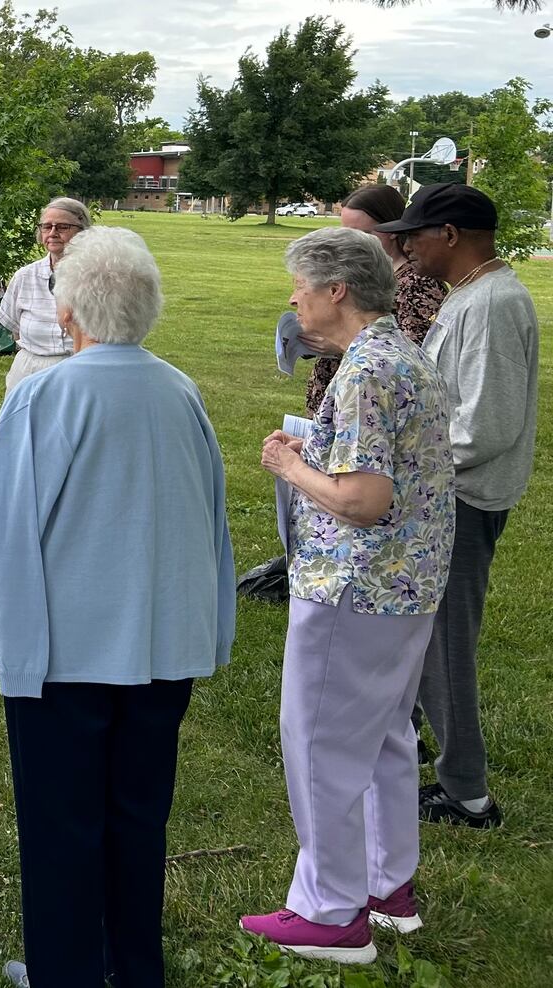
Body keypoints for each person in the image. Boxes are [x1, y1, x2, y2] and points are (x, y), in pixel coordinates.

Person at [0, 226, 235, 988]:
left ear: (72, 309)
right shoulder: (181, 392)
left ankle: (68, 972)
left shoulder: (45, 396)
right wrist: (207, 629)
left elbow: (3, 531)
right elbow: (208, 522)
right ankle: (130, 966)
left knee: (61, 828)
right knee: (138, 819)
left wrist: (6, 650)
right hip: (159, 649)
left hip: (63, 657)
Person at [241, 227, 456, 963]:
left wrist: (287, 466)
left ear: (337, 289)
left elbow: (364, 500)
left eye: (299, 285)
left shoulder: (364, 369)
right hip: (408, 583)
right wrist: (319, 453)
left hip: (354, 585)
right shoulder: (402, 353)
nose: (292, 299)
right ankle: (385, 887)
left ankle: (332, 912)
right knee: (386, 735)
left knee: (323, 742)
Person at [375, 183, 539, 828]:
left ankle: (467, 793)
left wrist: (408, 464)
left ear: (451, 234)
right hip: (449, 491)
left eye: (415, 234)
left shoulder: (493, 303)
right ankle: (412, 744)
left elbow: (486, 426)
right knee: (421, 636)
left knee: (444, 643)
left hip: (463, 499)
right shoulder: (471, 296)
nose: (405, 245)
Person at [303, 185, 446, 414]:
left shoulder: (418, 284)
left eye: (363, 234)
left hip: (374, 408)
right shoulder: (352, 275)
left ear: (391, 230)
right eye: (345, 234)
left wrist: (340, 345)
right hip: (337, 405)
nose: (350, 244)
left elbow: (416, 356)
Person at [0, 197, 91, 392]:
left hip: (79, 373)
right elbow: (15, 330)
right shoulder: (25, 276)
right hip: (27, 372)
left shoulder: (97, 278)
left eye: (62, 227)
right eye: (47, 227)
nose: (53, 233)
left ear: (82, 231)